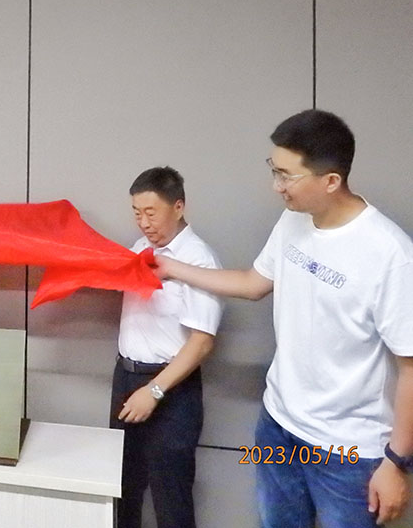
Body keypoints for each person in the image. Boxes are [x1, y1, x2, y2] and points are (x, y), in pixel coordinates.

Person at [154, 109, 413, 527]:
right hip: (277, 425)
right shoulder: (293, 220)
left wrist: (397, 462)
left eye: (286, 176)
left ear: (331, 181)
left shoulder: (390, 254)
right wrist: (172, 268)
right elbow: (254, 283)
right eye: (274, 170)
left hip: (348, 451)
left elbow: (410, 366)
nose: (276, 186)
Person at [109, 166, 223, 528]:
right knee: (121, 488)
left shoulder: (199, 260)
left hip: (171, 388)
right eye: (136, 213)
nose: (143, 223)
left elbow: (202, 343)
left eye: (151, 212)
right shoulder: (140, 249)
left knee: (170, 496)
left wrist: (154, 391)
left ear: (178, 206)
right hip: (126, 378)